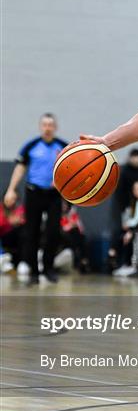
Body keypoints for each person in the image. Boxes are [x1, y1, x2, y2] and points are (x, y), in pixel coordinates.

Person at [4, 113, 67, 284]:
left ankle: (48, 269)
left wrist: (64, 187)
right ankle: (33, 272)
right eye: (44, 125)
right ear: (40, 127)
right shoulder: (31, 146)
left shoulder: (63, 147)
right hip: (34, 193)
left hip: (54, 195)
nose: (47, 128)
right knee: (31, 232)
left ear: (55, 127)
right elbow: (20, 168)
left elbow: (72, 169)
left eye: (50, 125)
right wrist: (11, 189)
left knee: (53, 232)